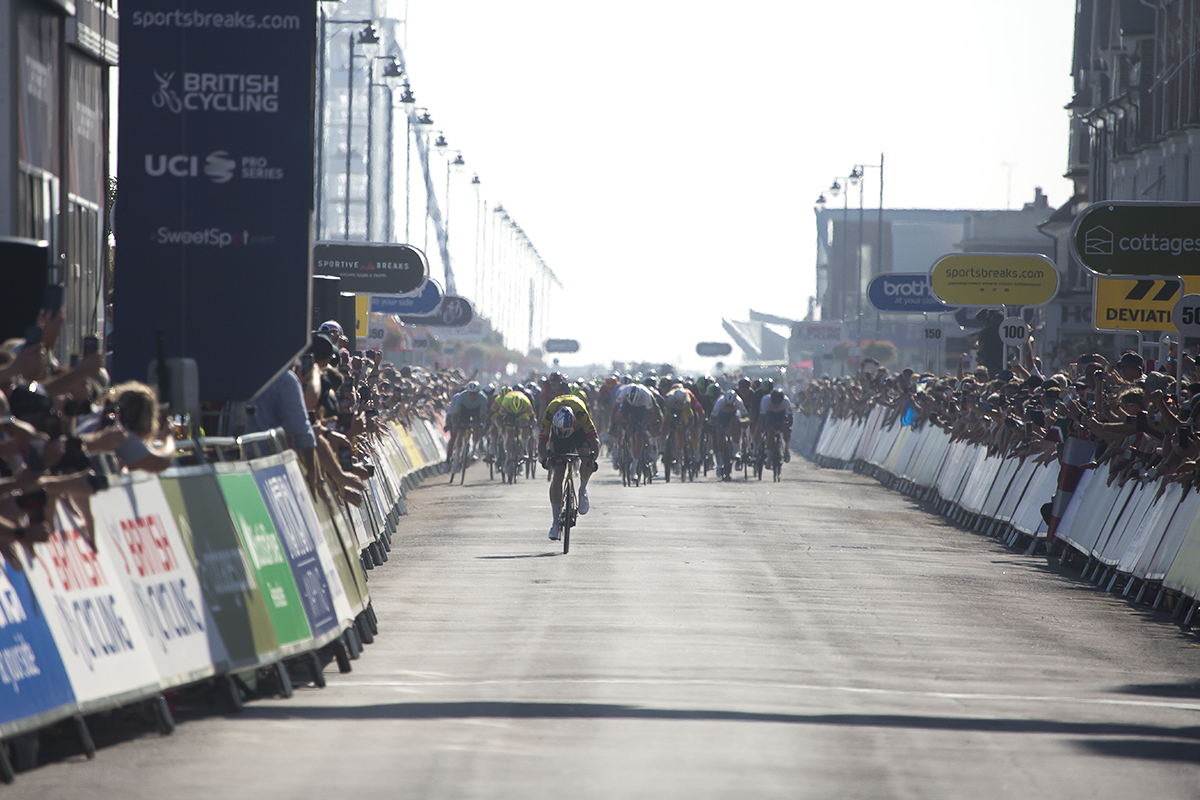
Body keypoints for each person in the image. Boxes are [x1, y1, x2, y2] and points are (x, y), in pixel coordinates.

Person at [538, 384, 600, 541]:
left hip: (578, 432)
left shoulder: (580, 411)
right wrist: (544, 459)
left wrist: (592, 461)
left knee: (586, 456)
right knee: (558, 473)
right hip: (558, 438)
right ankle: (555, 523)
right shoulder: (549, 414)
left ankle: (583, 489)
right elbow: (541, 443)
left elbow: (594, 440)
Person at [445, 381, 490, 460]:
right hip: (464, 410)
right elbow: (456, 413)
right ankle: (457, 454)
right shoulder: (461, 397)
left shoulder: (483, 398)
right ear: (467, 392)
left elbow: (483, 415)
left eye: (474, 394)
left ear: (478, 393)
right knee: (460, 431)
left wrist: (482, 425)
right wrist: (454, 424)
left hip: (476, 410)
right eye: (470, 394)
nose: (472, 396)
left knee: (476, 429)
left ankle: (473, 451)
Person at [758, 386, 794, 462]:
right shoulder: (765, 400)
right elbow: (762, 416)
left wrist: (788, 427)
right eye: (774, 403)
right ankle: (768, 456)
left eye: (778, 403)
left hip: (781, 415)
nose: (776, 405)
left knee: (786, 430)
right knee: (770, 432)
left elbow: (790, 416)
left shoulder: (786, 401)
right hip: (770, 414)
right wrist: (762, 427)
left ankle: (786, 450)